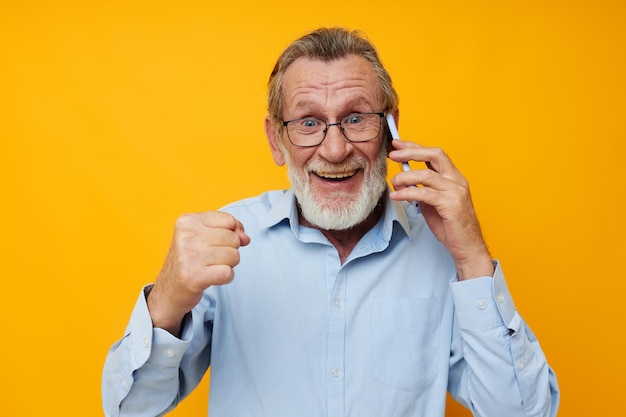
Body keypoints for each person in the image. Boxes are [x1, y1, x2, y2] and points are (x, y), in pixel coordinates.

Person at [102, 27, 559, 417]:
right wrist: (166, 301)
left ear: (391, 128)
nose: (335, 150)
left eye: (357, 118)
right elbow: (130, 407)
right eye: (308, 123)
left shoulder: (443, 249)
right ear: (276, 140)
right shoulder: (226, 242)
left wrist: (473, 257)